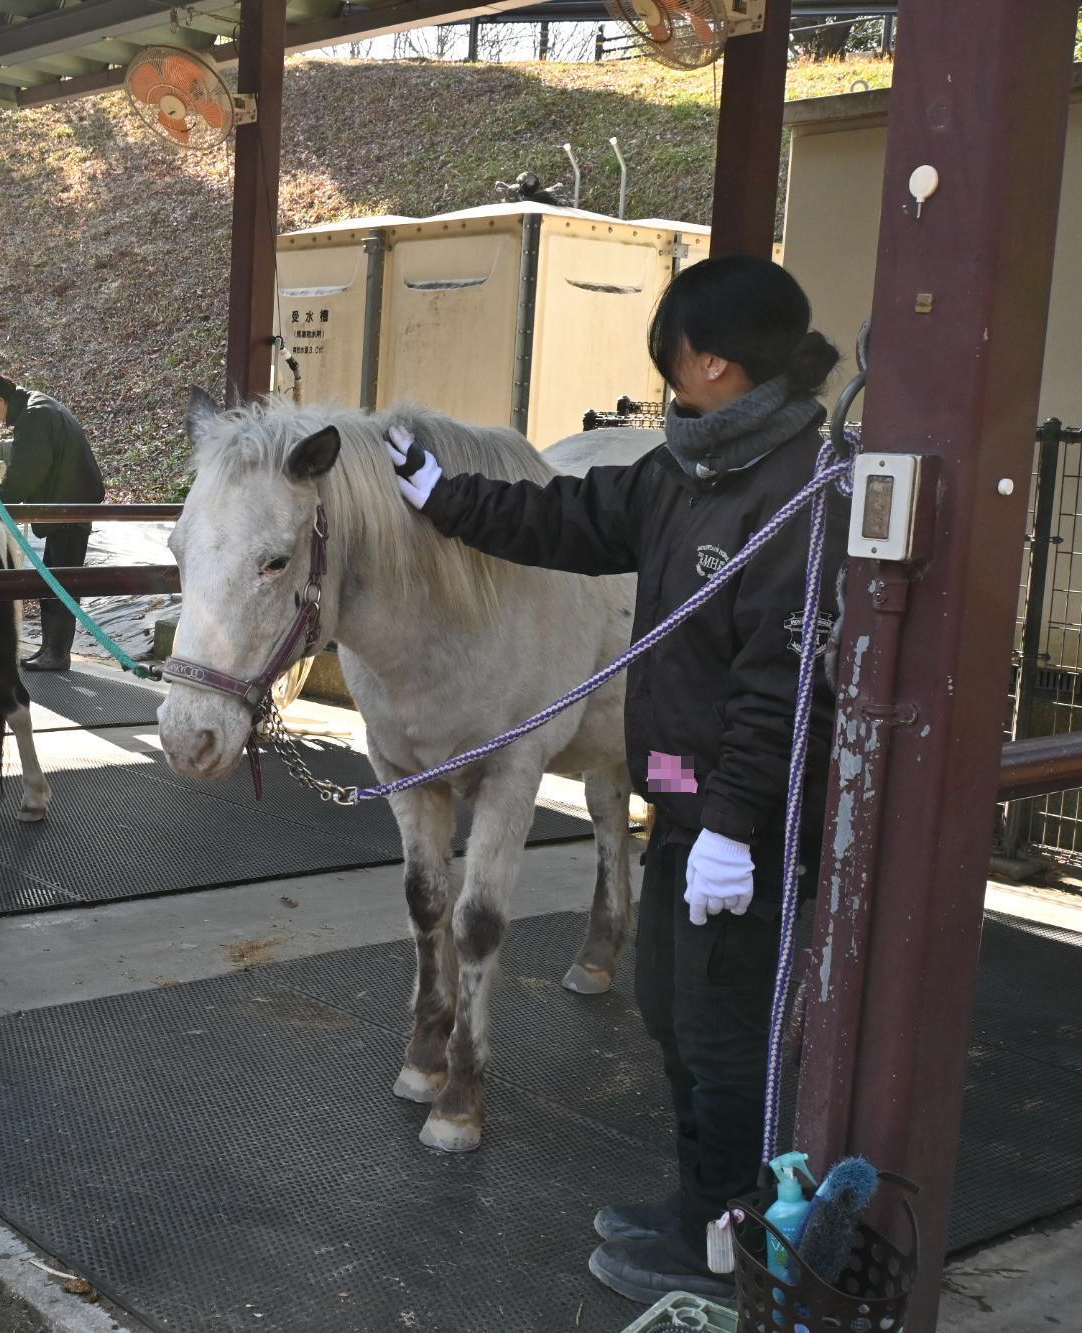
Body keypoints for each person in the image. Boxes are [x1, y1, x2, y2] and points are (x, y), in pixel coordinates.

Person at [385, 256, 847, 1306]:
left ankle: (733, 1247)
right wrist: (439, 494)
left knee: (725, 1037)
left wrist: (733, 824)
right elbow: (563, 520)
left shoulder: (797, 493)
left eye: (672, 350)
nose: (663, 366)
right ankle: (700, 1209)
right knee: (669, 1014)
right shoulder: (681, 470)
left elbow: (777, 683)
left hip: (745, 825)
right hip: (680, 801)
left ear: (713, 361)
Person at [0, 375, 105, 672]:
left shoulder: (33, 416)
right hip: (70, 500)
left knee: (60, 578)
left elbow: (25, 472)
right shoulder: (38, 406)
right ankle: (51, 648)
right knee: (54, 576)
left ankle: (57, 652)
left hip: (68, 506)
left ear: (0, 401)